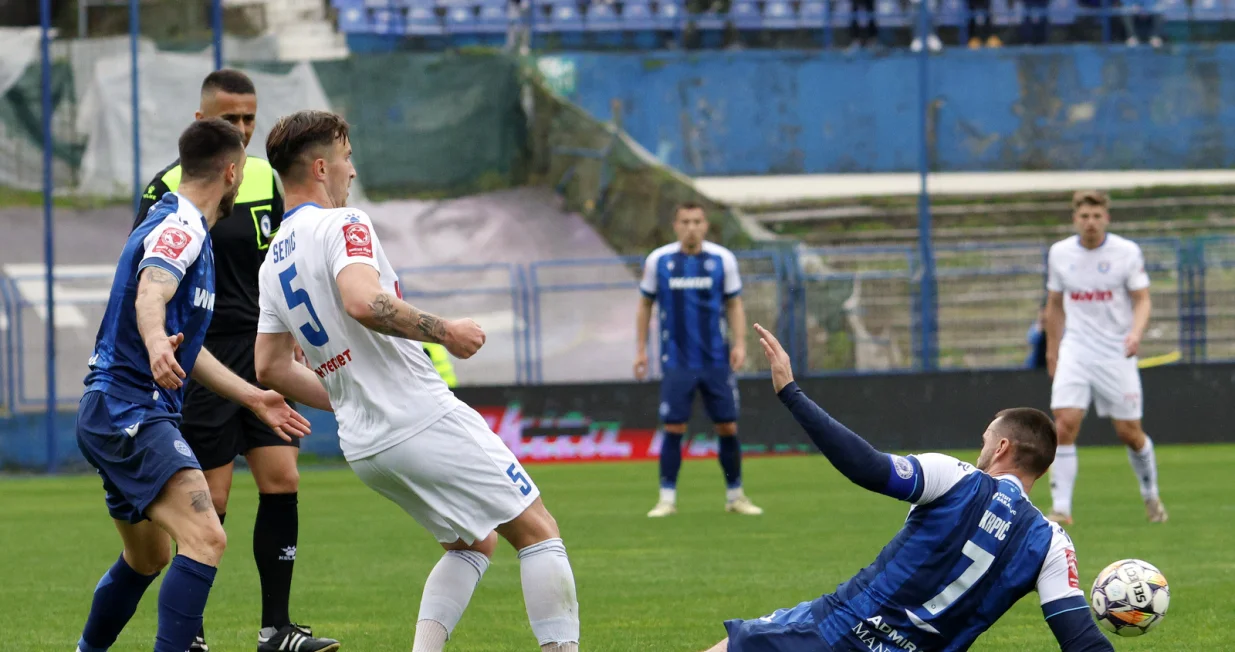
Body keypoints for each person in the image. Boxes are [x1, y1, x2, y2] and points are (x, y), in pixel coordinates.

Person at [252, 110, 581, 652]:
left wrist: (346, 395)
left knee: (473, 543)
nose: (351, 171)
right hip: (418, 415)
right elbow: (363, 301)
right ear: (319, 167)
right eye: (346, 158)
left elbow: (269, 366)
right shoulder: (343, 223)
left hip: (365, 444)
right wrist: (445, 330)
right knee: (538, 530)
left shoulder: (272, 263)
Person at [700, 324, 1115, 652]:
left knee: (735, 645)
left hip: (839, 631)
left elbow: (865, 466)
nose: (982, 446)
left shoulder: (956, 477)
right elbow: (1079, 639)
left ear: (1002, 446)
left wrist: (791, 393)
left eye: (987, 438)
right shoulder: (1052, 545)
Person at [74, 119, 313, 652]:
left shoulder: (187, 228)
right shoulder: (181, 228)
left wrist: (252, 395)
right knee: (206, 537)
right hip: (130, 407)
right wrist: (156, 341)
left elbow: (190, 345)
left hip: (113, 410)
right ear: (232, 173)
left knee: (149, 558)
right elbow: (150, 293)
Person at [132, 69, 338, 652]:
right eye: (230, 119)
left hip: (265, 350)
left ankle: (276, 629)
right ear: (202, 121)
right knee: (211, 500)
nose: (243, 129)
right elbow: (151, 278)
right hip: (204, 357)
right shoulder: (167, 189)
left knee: (283, 478)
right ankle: (189, 634)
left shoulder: (269, 183)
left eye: (250, 117)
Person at [1044, 190, 1165, 526]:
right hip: (1076, 350)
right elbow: (1054, 305)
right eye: (1084, 216)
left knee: (1129, 432)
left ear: (1106, 219)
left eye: (1097, 216)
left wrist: (1136, 333)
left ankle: (1150, 494)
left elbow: (1142, 299)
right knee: (1064, 424)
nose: (1091, 222)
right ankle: (1061, 509)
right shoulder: (1059, 253)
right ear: (1075, 219)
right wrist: (1052, 349)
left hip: (1116, 352)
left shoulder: (1126, 252)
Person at [635, 202, 762, 518]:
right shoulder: (659, 261)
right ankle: (667, 499)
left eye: (697, 221)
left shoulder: (722, 260)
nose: (691, 227)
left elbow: (734, 304)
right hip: (676, 360)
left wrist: (741, 344)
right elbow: (644, 305)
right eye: (685, 222)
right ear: (675, 226)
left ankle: (736, 496)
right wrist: (640, 349)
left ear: (706, 225)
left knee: (727, 426)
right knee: (674, 426)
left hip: (716, 359)